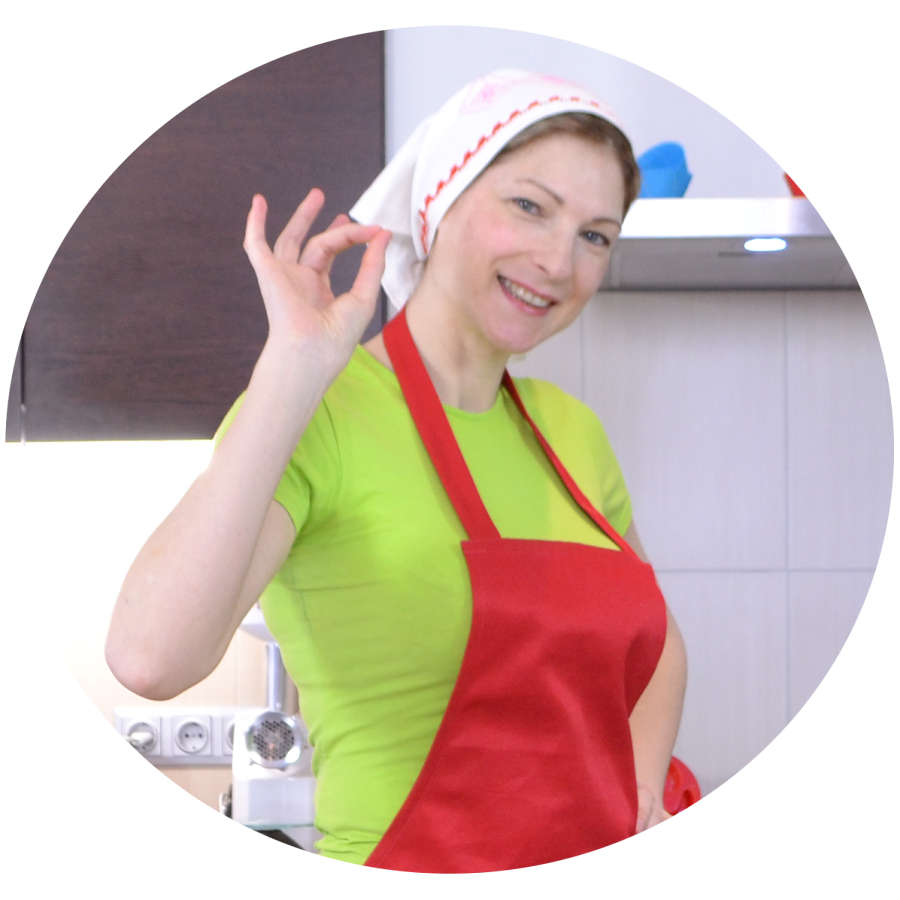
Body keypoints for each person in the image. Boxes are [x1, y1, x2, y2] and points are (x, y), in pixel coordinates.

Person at [106, 69, 687, 871]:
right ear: (441, 203)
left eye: (596, 236)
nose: (560, 261)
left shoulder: (572, 431)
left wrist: (643, 791)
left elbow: (658, 651)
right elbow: (150, 658)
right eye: (530, 206)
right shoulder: (321, 411)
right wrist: (291, 368)